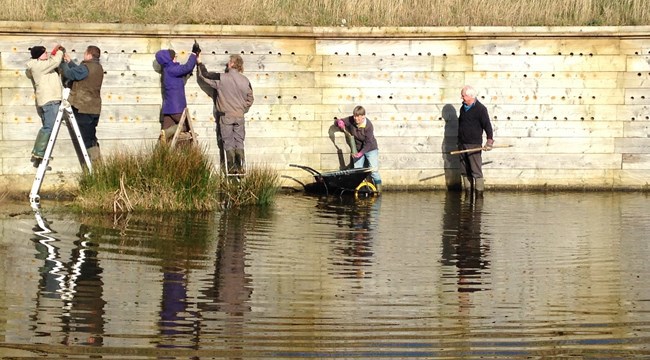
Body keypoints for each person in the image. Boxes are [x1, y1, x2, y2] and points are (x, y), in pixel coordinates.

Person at [197, 54, 254, 174]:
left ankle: (232, 168)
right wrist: (242, 109)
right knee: (239, 141)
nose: (227, 64)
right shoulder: (246, 81)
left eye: (229, 62)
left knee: (228, 141)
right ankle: (241, 167)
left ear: (232, 64)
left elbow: (204, 76)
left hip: (226, 116)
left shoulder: (222, 78)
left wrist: (199, 63)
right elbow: (250, 99)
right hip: (239, 116)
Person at [59, 45, 104, 164]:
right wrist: (70, 62)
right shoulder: (98, 67)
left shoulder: (85, 68)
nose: (84, 55)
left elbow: (70, 74)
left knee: (87, 140)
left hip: (83, 108)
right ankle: (98, 165)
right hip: (94, 108)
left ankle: (96, 167)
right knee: (91, 137)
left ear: (89, 55)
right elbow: (81, 72)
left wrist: (62, 63)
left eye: (85, 53)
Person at [26, 44, 65, 167]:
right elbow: (56, 61)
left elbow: (51, 63)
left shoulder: (39, 65)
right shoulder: (39, 65)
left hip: (47, 100)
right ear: (38, 56)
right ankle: (38, 152)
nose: (47, 54)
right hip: (50, 100)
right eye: (44, 53)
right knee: (49, 128)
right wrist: (59, 52)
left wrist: (52, 54)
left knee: (48, 128)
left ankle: (40, 158)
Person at [155, 43, 200, 143]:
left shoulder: (167, 70)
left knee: (165, 141)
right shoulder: (172, 69)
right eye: (174, 57)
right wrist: (193, 54)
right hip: (177, 108)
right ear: (169, 60)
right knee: (184, 127)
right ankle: (168, 133)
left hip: (168, 109)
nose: (176, 58)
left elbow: (180, 75)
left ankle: (161, 154)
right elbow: (187, 67)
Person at [335, 105, 382, 193]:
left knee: (374, 170)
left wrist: (361, 154)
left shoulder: (369, 126)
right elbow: (338, 120)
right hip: (357, 148)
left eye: (358, 117)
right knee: (357, 171)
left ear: (363, 116)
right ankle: (359, 190)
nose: (356, 119)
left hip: (370, 148)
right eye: (354, 116)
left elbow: (368, 144)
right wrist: (339, 123)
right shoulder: (352, 119)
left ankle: (379, 190)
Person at [457, 85, 494, 193]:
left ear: (470, 96)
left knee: (476, 171)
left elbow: (487, 125)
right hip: (462, 144)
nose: (461, 97)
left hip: (474, 145)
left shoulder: (480, 109)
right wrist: (458, 141)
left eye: (463, 95)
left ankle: (479, 196)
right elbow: (461, 125)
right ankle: (468, 194)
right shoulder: (462, 108)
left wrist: (489, 141)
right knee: (464, 171)